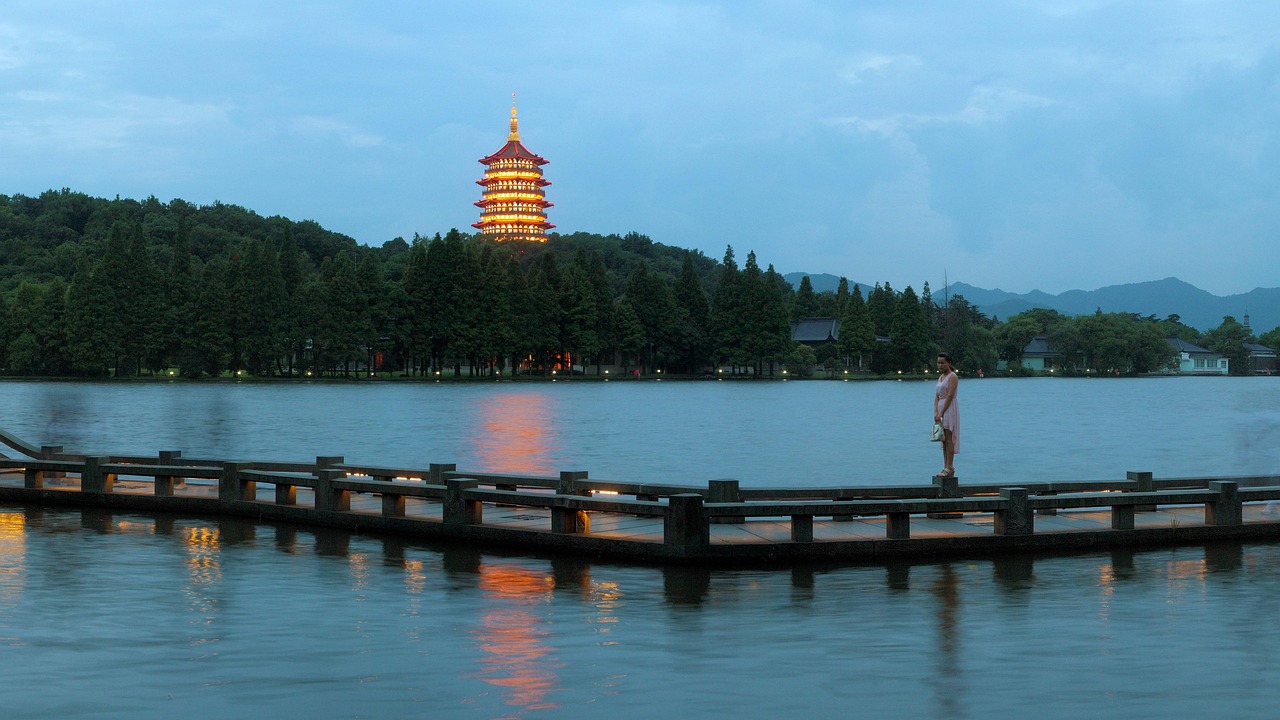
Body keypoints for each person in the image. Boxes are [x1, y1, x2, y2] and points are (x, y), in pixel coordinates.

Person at [934, 353, 959, 477]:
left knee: (948, 438)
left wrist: (942, 412)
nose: (940, 365)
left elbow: (949, 396)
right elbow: (936, 396)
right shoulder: (940, 377)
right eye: (938, 362)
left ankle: (950, 466)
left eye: (943, 362)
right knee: (943, 439)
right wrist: (936, 412)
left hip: (948, 408)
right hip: (940, 408)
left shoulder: (952, 376)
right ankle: (945, 466)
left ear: (949, 363)